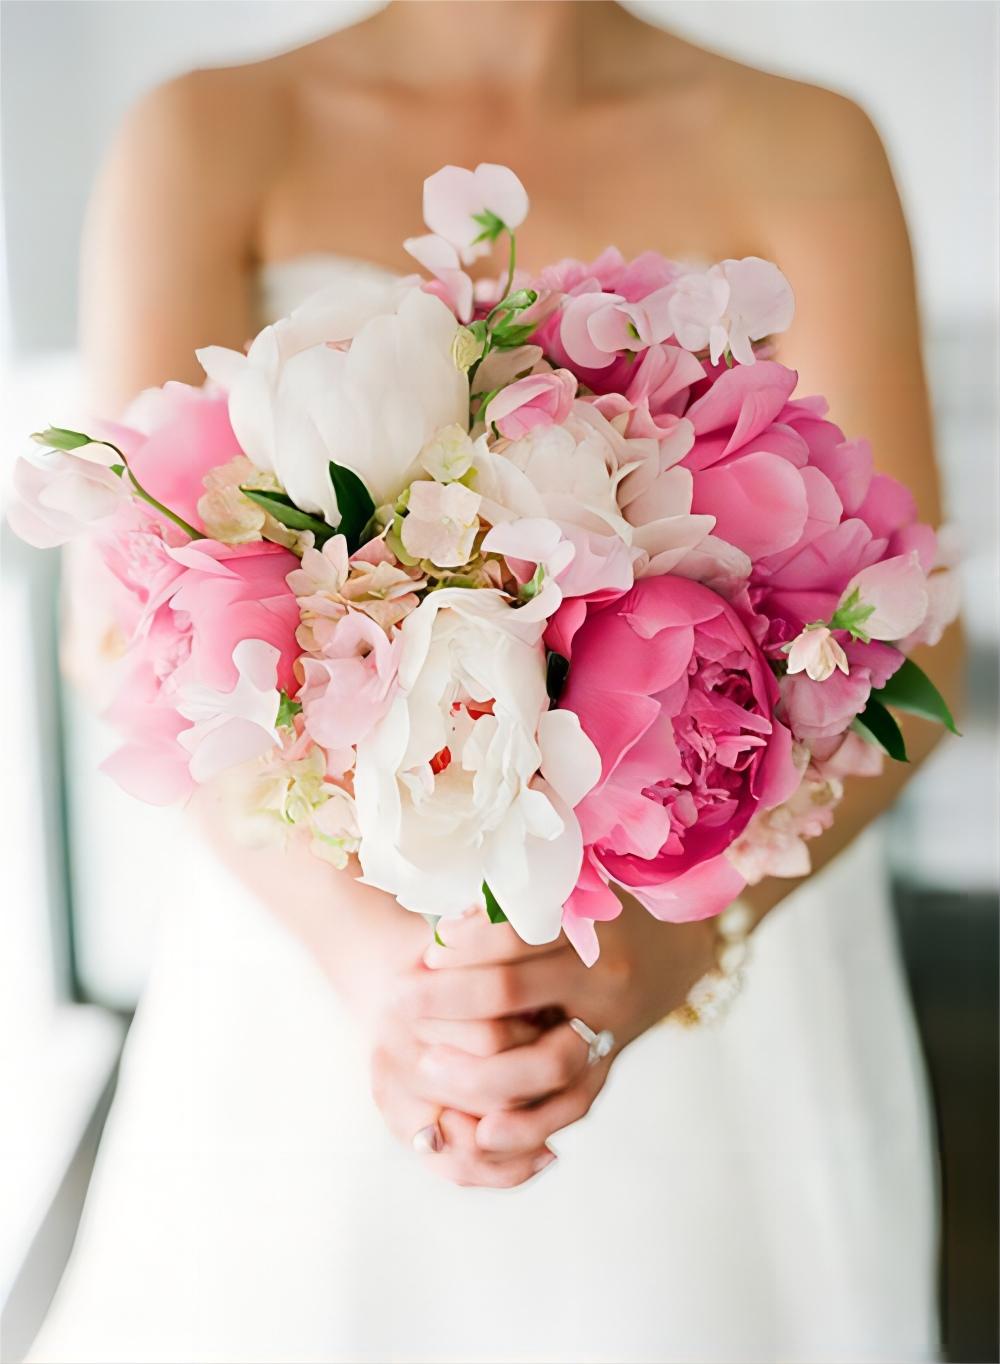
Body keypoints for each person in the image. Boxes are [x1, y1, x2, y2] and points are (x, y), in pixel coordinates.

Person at [31, 4, 961, 1361]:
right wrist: (383, 975)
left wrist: (674, 954)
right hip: (308, 965)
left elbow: (913, 635)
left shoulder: (811, 141)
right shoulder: (210, 134)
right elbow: (128, 623)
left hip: (717, 950)